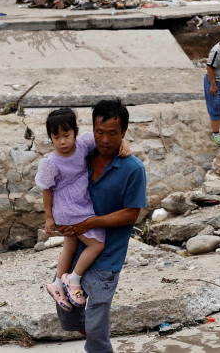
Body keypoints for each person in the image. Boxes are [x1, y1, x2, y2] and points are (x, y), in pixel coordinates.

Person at [54, 99, 147, 353]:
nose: (105, 139)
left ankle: (99, 348)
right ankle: (94, 342)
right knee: (66, 311)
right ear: (92, 130)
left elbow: (131, 214)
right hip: (76, 250)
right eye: (100, 132)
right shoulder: (82, 155)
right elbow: (58, 163)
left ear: (124, 133)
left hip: (107, 255)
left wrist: (91, 223)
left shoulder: (133, 169)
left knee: (97, 316)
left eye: (113, 134)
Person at [37, 108, 131, 310]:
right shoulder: (51, 163)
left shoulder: (83, 145)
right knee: (96, 244)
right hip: (69, 209)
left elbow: (105, 141)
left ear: (76, 132)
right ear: (50, 138)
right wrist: (48, 218)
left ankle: (57, 284)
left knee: (70, 247)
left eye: (66, 135)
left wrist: (124, 142)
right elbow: (47, 191)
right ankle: (74, 279)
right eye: (56, 137)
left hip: (79, 203)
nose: (62, 141)